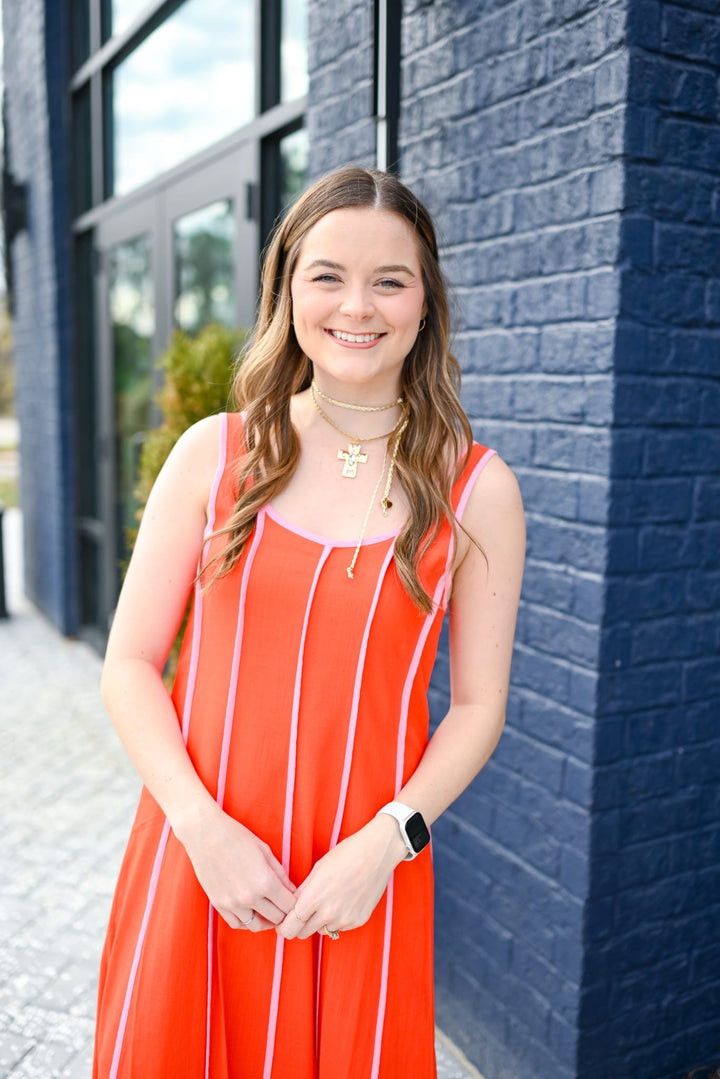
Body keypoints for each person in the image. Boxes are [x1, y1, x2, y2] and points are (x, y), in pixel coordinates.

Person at [93, 165, 525, 1079]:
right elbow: (129, 663)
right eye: (326, 274)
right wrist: (201, 829)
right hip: (198, 868)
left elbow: (480, 706)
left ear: (425, 301)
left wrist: (389, 841)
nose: (356, 305)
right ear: (287, 290)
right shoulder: (213, 455)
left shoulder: (477, 489)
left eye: (390, 279)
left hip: (357, 889)